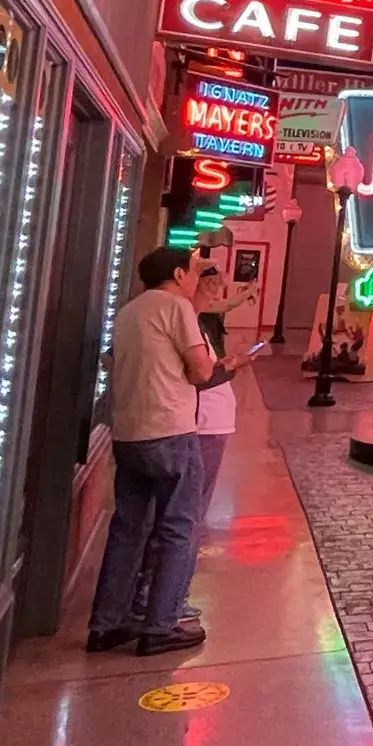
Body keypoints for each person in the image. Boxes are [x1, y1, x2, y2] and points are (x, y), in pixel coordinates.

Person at [87, 247, 219, 655]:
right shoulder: (177, 308)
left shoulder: (127, 312)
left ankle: (107, 624)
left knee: (127, 528)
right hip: (171, 431)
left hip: (128, 432)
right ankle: (161, 626)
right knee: (179, 529)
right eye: (193, 271)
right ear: (179, 275)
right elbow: (201, 370)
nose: (195, 280)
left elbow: (112, 363)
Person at [130, 265, 246, 624]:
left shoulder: (187, 325)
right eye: (207, 286)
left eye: (217, 289)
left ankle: (152, 597)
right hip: (196, 427)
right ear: (182, 280)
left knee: (177, 517)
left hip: (197, 426)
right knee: (182, 518)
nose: (214, 296)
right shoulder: (181, 322)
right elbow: (197, 378)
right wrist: (226, 369)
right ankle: (161, 604)